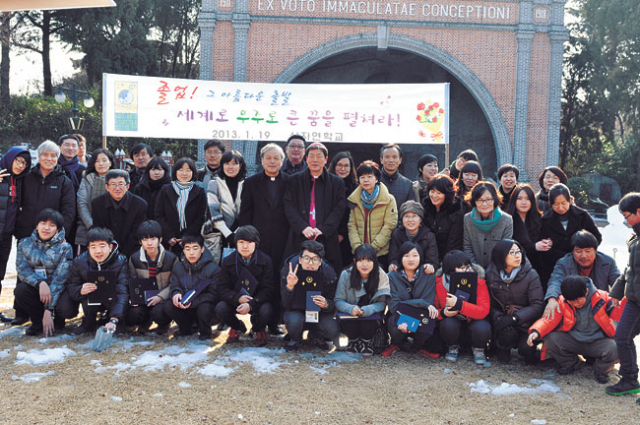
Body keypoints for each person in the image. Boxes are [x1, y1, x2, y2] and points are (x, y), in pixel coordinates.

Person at [528, 276, 620, 383]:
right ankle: (570, 363)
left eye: (577, 300)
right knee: (550, 338)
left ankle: (601, 370)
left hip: (598, 342)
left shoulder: (603, 298)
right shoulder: (563, 302)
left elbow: (621, 315)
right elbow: (549, 320)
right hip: (574, 341)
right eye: (571, 301)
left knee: (616, 347)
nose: (575, 304)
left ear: (586, 291)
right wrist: (536, 331)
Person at [239, 143, 289, 335]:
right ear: (261, 160)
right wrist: (248, 240)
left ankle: (274, 322)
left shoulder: (290, 181)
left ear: (282, 161)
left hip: (282, 241)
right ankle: (257, 324)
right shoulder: (251, 183)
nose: (272, 161)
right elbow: (245, 214)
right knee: (257, 281)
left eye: (276, 157)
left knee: (277, 280)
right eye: (268, 157)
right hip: (258, 241)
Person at [283, 142, 346, 270]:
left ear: (326, 159)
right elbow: (289, 205)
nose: (315, 160)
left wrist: (322, 229)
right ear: (306, 159)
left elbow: (339, 209)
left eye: (319, 156)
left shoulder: (336, 183)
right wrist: (303, 227)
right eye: (311, 156)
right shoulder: (294, 180)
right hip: (300, 234)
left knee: (328, 273)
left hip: (325, 235)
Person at [14, 209, 75, 336]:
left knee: (66, 308)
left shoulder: (65, 248)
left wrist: (49, 309)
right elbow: (22, 270)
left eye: (52, 225)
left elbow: (60, 279)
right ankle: (37, 322)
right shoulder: (24, 244)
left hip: (57, 290)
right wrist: (40, 283)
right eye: (43, 223)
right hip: (37, 288)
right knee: (20, 290)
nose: (46, 228)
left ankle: (57, 318)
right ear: (37, 225)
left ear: (57, 229)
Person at [215, 225, 275, 346]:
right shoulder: (228, 261)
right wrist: (237, 298)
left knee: (267, 310)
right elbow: (222, 288)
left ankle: (257, 329)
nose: (245, 246)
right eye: (241, 242)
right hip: (236, 298)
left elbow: (268, 289)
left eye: (249, 242)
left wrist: (251, 304)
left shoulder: (266, 260)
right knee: (220, 308)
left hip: (257, 300)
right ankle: (237, 327)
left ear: (256, 243)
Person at [486, 240, 544, 364]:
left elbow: (537, 305)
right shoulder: (491, 275)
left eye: (519, 252)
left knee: (527, 349)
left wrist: (515, 318)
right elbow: (488, 302)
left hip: (525, 322)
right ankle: (502, 348)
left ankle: (530, 351)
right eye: (512, 253)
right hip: (503, 323)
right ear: (501, 256)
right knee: (507, 334)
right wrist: (497, 317)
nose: (518, 256)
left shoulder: (531, 274)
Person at [606, 192, 640, 400]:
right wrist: (617, 292)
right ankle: (629, 380)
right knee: (622, 337)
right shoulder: (635, 236)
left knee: (624, 337)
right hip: (635, 300)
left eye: (627, 215)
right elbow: (630, 269)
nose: (625, 221)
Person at [543, 230, 620, 320]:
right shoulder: (563, 263)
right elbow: (555, 281)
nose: (583, 256)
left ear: (595, 250)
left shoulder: (608, 262)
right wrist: (552, 298)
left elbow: (618, 282)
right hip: (573, 312)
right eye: (578, 251)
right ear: (572, 251)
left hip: (600, 310)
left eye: (588, 251)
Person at [382, 242, 440, 358]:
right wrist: (421, 303)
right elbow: (394, 306)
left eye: (415, 255)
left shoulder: (428, 275)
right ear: (400, 258)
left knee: (429, 318)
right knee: (393, 323)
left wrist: (421, 306)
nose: (411, 259)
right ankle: (398, 344)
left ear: (420, 257)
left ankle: (419, 346)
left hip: (421, 316)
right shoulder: (392, 277)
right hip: (399, 315)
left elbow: (428, 302)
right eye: (406, 255)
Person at [68, 227, 129, 335]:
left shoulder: (120, 261)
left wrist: (114, 318)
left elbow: (122, 291)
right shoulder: (79, 262)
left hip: (112, 300)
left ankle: (115, 321)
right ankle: (88, 323)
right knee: (88, 294)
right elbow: (72, 286)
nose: (98, 251)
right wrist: (80, 290)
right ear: (88, 248)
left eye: (102, 246)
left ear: (110, 247)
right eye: (93, 246)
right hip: (91, 301)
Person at [281, 240, 339, 352]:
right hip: (296, 311)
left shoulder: (329, 274)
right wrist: (290, 287)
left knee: (332, 328)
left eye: (315, 259)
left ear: (320, 261)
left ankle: (316, 336)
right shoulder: (289, 270)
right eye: (307, 258)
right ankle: (295, 338)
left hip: (319, 314)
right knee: (294, 321)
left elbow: (334, 301)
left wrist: (326, 304)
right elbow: (285, 304)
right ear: (300, 259)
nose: (310, 263)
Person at [435, 250, 491, 364]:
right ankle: (452, 347)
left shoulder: (478, 281)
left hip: (473, 320)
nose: (467, 270)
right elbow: (433, 308)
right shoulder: (438, 283)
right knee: (448, 324)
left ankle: (479, 349)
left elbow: (484, 310)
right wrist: (443, 313)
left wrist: (460, 305)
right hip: (452, 320)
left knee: (482, 327)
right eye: (462, 268)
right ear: (450, 271)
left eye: (468, 266)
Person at [539, 183, 602, 285]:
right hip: (555, 265)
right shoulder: (545, 220)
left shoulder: (582, 215)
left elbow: (597, 237)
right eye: (556, 204)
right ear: (551, 203)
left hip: (582, 264)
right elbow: (543, 246)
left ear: (569, 200)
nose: (560, 207)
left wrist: (583, 252)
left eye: (564, 203)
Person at [15, 140, 76, 242]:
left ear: (57, 158)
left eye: (53, 155)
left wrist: (61, 234)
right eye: (45, 155)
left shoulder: (64, 182)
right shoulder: (26, 178)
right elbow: (16, 203)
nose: (49, 158)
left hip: (51, 237)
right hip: (26, 235)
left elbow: (68, 211)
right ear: (39, 156)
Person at [334, 244, 390, 356]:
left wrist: (367, 310)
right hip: (350, 314)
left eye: (369, 260)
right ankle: (353, 341)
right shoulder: (346, 275)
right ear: (355, 261)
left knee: (368, 322)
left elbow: (382, 303)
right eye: (361, 260)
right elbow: (338, 300)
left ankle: (367, 342)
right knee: (350, 322)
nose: (365, 264)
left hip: (370, 315)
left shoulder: (381, 275)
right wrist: (350, 308)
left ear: (375, 261)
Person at [127, 220, 178, 335]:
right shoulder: (134, 259)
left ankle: (163, 324)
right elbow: (132, 281)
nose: (149, 243)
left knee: (159, 312)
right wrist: (133, 297)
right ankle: (144, 323)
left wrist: (161, 296)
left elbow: (174, 283)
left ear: (160, 239)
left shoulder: (171, 259)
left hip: (162, 299)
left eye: (153, 239)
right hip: (144, 299)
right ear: (140, 242)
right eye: (145, 240)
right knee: (133, 313)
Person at [164, 234, 219, 340]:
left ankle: (205, 332)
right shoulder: (178, 267)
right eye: (187, 249)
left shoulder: (213, 269)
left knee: (205, 308)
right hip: (185, 306)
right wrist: (176, 294)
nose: (191, 253)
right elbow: (174, 285)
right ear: (183, 250)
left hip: (204, 308)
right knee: (168, 305)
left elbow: (214, 295)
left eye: (195, 248)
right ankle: (185, 330)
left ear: (202, 249)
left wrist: (193, 302)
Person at [347, 160, 397, 270]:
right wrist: (358, 248)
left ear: (377, 178)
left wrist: (373, 248)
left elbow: (389, 225)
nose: (366, 180)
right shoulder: (353, 199)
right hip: (359, 253)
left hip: (380, 253)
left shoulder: (388, 199)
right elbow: (352, 225)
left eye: (369, 176)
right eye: (362, 177)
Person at [0, 147, 31, 322]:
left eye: (24, 163)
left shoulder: (19, 180)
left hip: (6, 235)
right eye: (18, 161)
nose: (21, 165)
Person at [155, 157, 207, 256]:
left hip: (191, 242)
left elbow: (200, 218)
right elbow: (159, 215)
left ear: (193, 172)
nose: (184, 174)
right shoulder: (165, 190)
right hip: (168, 241)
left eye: (188, 170)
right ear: (175, 172)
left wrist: (186, 238)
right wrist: (169, 236)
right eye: (181, 170)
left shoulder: (199, 192)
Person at [91, 169, 148, 257]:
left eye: (121, 184)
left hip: (132, 251)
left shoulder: (140, 205)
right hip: (106, 251)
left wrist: (123, 255)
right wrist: (110, 252)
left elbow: (136, 234)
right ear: (107, 187)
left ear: (128, 186)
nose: (117, 188)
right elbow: (99, 230)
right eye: (113, 184)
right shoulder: (97, 204)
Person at [463, 182, 513, 268]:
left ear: (495, 199)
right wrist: (477, 269)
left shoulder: (507, 220)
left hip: (497, 269)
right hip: (474, 269)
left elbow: (505, 250)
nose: (484, 204)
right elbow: (467, 247)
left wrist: (491, 271)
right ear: (474, 201)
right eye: (480, 200)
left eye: (488, 199)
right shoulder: (467, 219)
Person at [75, 148, 115, 251]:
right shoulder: (87, 179)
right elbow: (81, 203)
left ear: (110, 162)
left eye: (104, 160)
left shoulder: (118, 179)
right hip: (87, 230)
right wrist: (91, 226)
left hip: (112, 229)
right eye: (97, 161)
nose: (101, 164)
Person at [505, 183, 549, 273]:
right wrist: (534, 247)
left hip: (538, 267)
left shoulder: (539, 218)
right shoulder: (507, 220)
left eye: (527, 199)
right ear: (514, 200)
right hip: (515, 267)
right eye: (520, 199)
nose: (523, 202)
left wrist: (547, 243)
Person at [207, 150, 246, 249]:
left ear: (240, 165)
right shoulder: (214, 184)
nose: (230, 167)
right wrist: (228, 234)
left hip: (242, 235)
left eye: (234, 164)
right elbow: (213, 211)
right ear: (222, 165)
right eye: (227, 163)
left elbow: (248, 211)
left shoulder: (247, 184)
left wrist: (237, 233)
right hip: (219, 234)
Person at [422, 174, 463, 262]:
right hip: (428, 258)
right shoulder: (425, 208)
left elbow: (453, 244)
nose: (434, 196)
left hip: (449, 259)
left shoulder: (455, 213)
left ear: (447, 194)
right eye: (432, 191)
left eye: (439, 193)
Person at [388, 201, 438, 273]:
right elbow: (393, 258)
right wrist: (393, 265)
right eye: (406, 216)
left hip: (422, 274)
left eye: (414, 216)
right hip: (401, 273)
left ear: (420, 219)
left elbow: (432, 261)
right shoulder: (397, 234)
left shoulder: (429, 236)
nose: (410, 220)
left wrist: (430, 266)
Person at [328, 151, 358, 265]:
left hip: (349, 236)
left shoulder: (356, 188)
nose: (342, 168)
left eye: (346, 166)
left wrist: (343, 234)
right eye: (339, 165)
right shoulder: (326, 185)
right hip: (329, 235)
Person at [379, 143, 416, 209]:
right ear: (381, 160)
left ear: (400, 160)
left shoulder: (408, 184)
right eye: (387, 157)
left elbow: (410, 210)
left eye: (394, 157)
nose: (391, 160)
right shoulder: (374, 181)